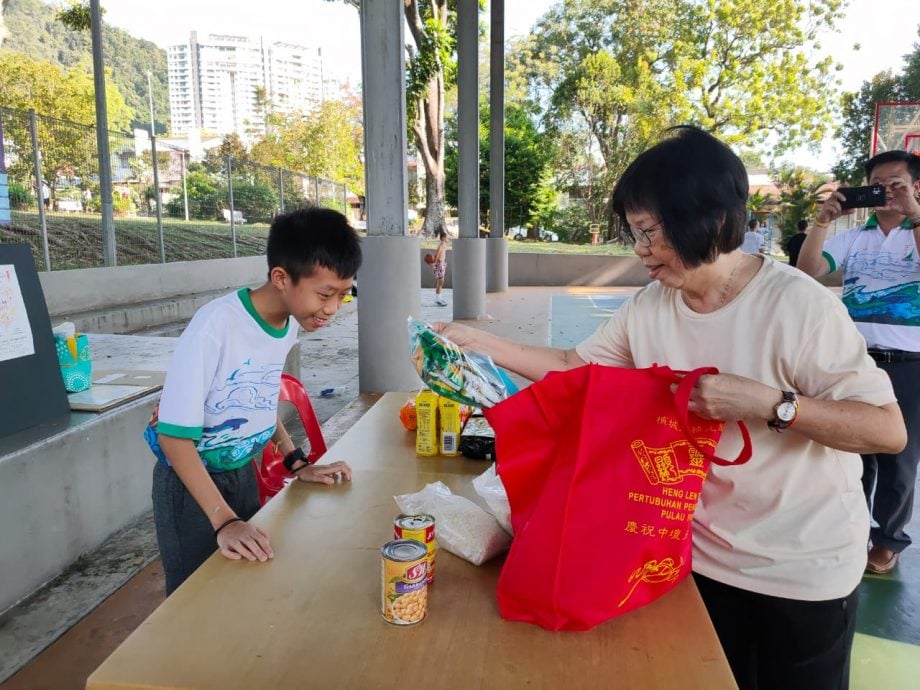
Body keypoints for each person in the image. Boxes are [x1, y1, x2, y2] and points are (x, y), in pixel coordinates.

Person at [435, 127, 905, 690]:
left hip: (800, 568)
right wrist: (480, 344)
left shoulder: (798, 306)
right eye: (634, 233)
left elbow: (886, 430)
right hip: (693, 555)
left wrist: (768, 404)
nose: (639, 251)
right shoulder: (651, 307)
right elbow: (576, 366)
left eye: (649, 232)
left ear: (708, 219)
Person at [146, 207, 360, 594]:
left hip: (241, 472)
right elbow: (173, 437)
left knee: (240, 585)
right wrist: (224, 521)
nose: (332, 309)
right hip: (191, 487)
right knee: (195, 601)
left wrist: (296, 461)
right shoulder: (215, 326)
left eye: (343, 295)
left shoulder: (289, 322)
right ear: (281, 277)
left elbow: (258, 397)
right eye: (325, 294)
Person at [796, 149, 920, 575]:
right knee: (852, 450)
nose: (886, 191)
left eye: (896, 183)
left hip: (910, 362)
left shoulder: (915, 230)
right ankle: (852, 528)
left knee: (900, 458)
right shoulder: (854, 237)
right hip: (855, 360)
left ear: (916, 186)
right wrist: (822, 221)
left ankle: (888, 539)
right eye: (878, 183)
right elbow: (808, 271)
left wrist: (914, 214)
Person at [432, 229, 449, 306]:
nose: (447, 238)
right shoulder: (441, 245)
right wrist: (435, 263)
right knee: (440, 282)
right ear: (442, 238)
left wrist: (444, 263)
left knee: (441, 282)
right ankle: (437, 299)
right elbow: (437, 254)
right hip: (439, 264)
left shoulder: (444, 244)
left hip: (442, 264)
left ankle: (439, 297)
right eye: (446, 237)